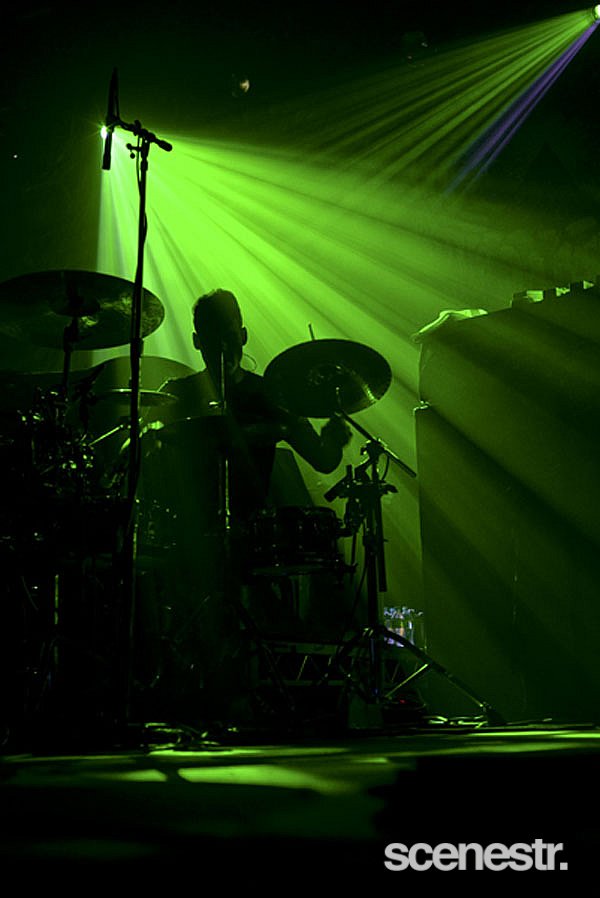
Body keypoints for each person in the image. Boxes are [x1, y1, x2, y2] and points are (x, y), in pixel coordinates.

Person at [135, 288, 352, 725]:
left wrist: (334, 434)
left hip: (253, 537)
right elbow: (145, 456)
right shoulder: (176, 395)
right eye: (212, 337)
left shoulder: (272, 394)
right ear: (196, 341)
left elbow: (324, 460)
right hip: (186, 536)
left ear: (244, 336)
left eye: (229, 336)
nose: (222, 347)